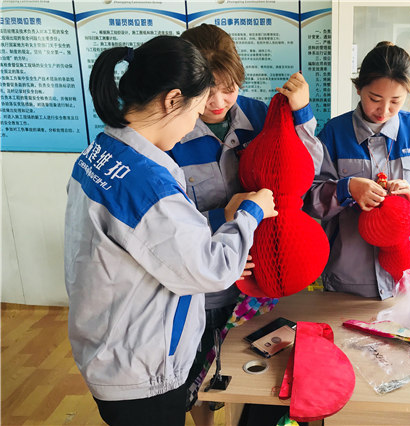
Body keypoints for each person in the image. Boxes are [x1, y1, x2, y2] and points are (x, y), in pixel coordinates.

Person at [64, 35, 277, 426]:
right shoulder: (146, 182)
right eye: (195, 110)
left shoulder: (103, 151)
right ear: (172, 100)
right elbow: (211, 268)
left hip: (111, 346)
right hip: (140, 366)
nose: (194, 123)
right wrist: (251, 211)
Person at [167, 24, 322, 425]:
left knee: (259, 368)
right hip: (208, 283)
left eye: (230, 88)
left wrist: (302, 114)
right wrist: (222, 217)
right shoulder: (171, 133)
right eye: (207, 92)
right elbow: (166, 223)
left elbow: (303, 174)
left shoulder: (260, 115)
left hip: (264, 277)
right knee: (200, 374)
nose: (218, 102)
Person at [304, 41, 410, 300]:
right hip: (349, 277)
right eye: (374, 99)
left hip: (407, 274)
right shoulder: (335, 133)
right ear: (359, 88)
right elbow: (309, 197)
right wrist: (347, 189)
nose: (384, 110)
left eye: (396, 101)